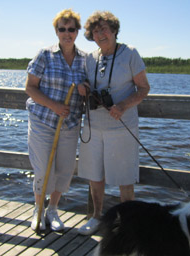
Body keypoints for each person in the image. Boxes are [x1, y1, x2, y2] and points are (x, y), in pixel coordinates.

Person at [77, 11, 150, 235]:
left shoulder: (130, 53)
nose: (100, 34)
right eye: (96, 31)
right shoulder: (90, 57)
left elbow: (144, 88)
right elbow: (88, 83)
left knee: (124, 177)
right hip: (93, 125)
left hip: (121, 126)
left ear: (115, 31)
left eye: (105, 29)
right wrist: (84, 88)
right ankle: (96, 217)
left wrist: (123, 106)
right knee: (94, 174)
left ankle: (127, 223)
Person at [25, 9, 86, 232]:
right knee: (43, 170)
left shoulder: (85, 60)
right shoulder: (45, 54)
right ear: (56, 31)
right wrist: (55, 106)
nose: (67, 33)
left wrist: (85, 89)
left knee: (65, 170)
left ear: (77, 31)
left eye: (71, 29)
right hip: (43, 120)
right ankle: (38, 210)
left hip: (69, 125)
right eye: (62, 29)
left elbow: (90, 87)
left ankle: (53, 209)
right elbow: (30, 87)